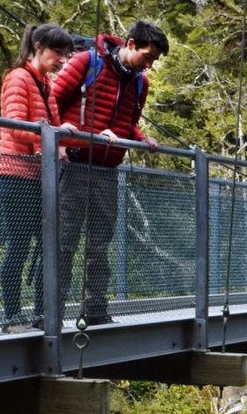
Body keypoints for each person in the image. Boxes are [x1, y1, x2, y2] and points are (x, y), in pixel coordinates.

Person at [49, 20, 169, 325]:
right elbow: (52, 102)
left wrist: (141, 138)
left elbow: (128, 121)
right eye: (147, 57)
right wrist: (58, 142)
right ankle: (50, 313)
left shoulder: (140, 82)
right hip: (74, 163)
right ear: (130, 45)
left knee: (100, 244)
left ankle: (97, 311)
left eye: (154, 61)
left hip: (107, 170)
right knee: (63, 242)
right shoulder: (87, 62)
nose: (149, 66)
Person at [0, 23, 78, 331]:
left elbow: (50, 129)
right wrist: (49, 142)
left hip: (39, 176)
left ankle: (44, 315)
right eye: (58, 53)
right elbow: (16, 125)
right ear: (38, 46)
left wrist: (71, 140)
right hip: (15, 174)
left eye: (67, 55)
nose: (62, 60)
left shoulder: (45, 84)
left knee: (47, 245)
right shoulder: (18, 78)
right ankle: (11, 316)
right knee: (19, 244)